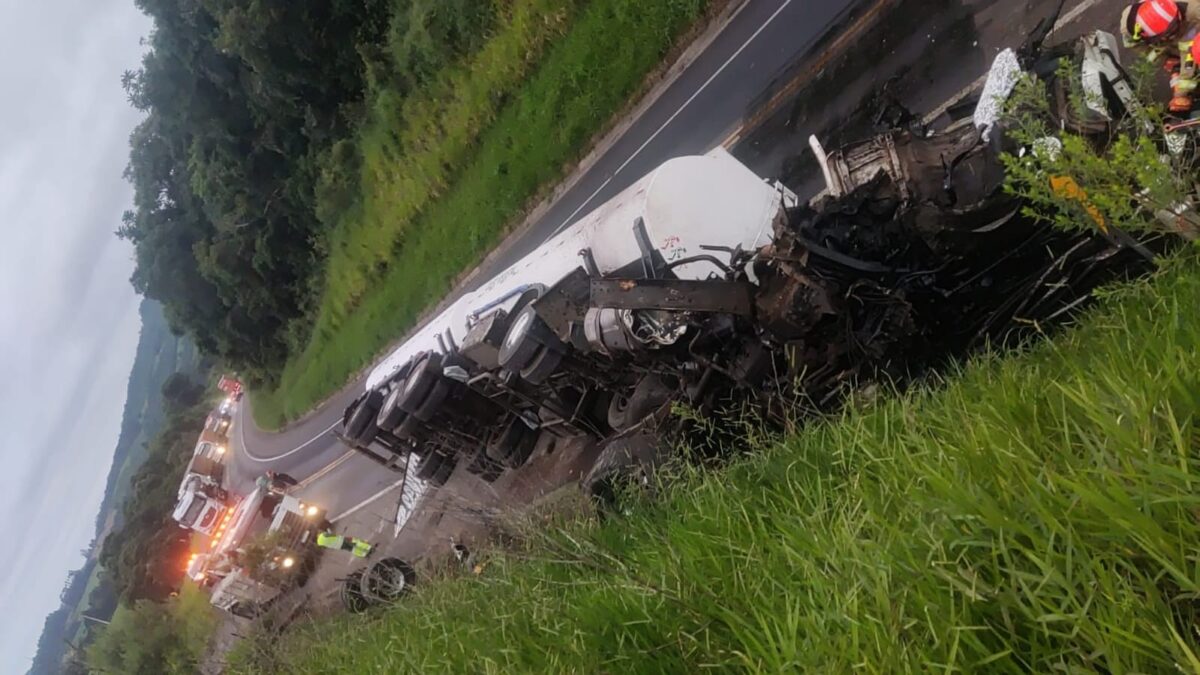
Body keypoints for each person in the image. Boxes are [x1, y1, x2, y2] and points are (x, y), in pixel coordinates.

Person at [1121, 0, 1200, 113]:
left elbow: (1188, 53)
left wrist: (1180, 93)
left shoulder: (1194, 12)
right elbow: (1135, 46)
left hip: (1190, 29)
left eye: (1174, 29)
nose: (1174, 34)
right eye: (1169, 33)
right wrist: (1165, 60)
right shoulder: (1130, 27)